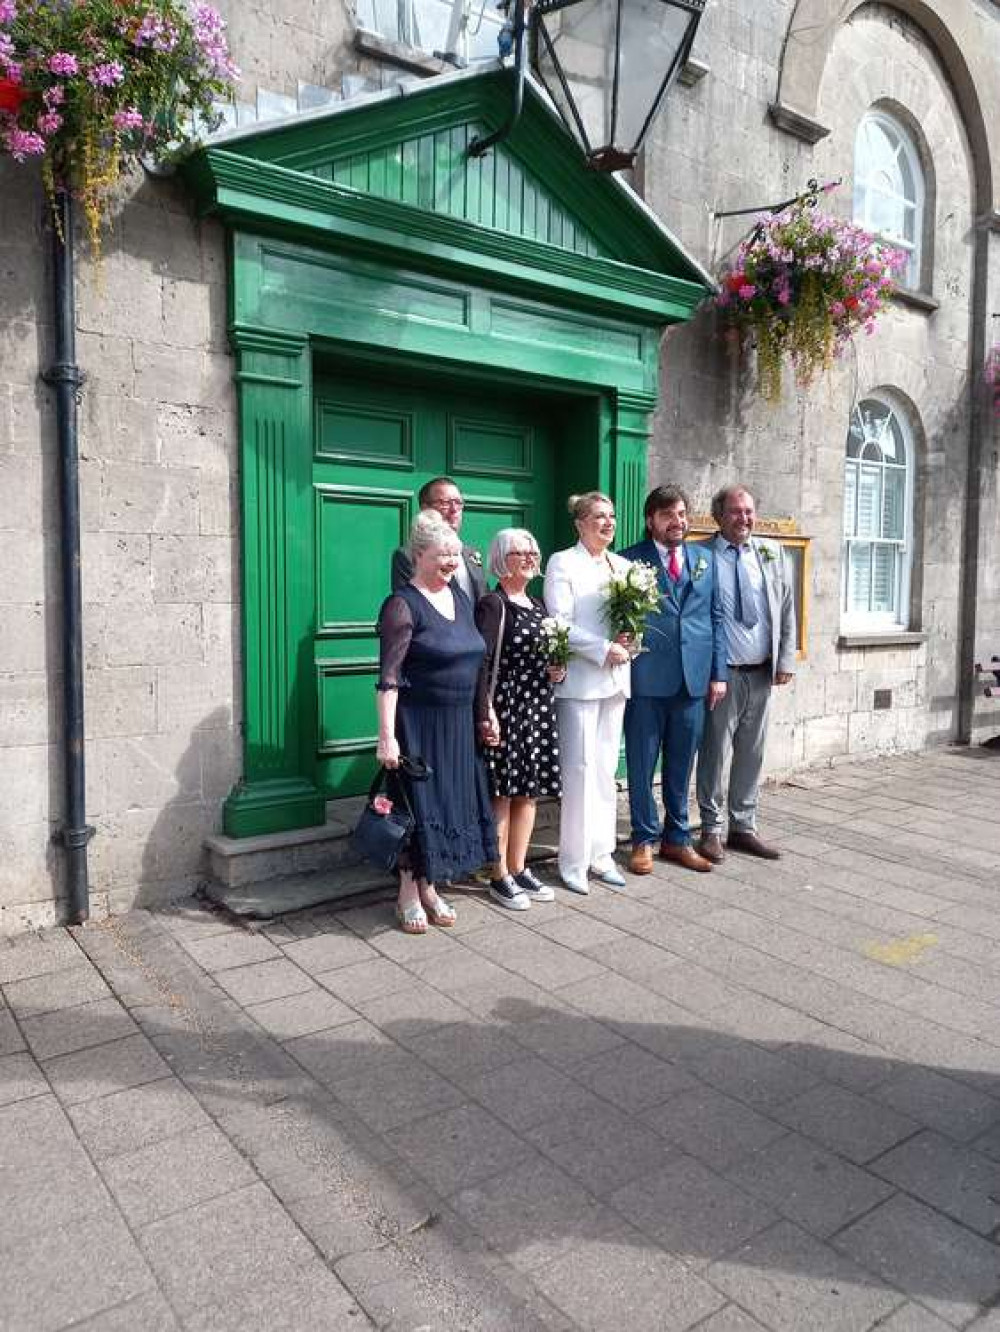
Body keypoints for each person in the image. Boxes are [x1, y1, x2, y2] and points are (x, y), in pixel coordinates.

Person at [375, 512, 498, 933]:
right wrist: (387, 738)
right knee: (418, 808)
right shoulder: (402, 605)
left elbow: (479, 660)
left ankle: (430, 887)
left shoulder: (461, 599)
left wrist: (486, 713)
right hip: (419, 725)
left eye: (455, 555)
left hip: (459, 725)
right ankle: (407, 893)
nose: (451, 562)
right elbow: (389, 678)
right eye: (442, 555)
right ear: (418, 556)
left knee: (447, 804)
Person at [621, 485, 728, 875]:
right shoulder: (628, 560)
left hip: (693, 679)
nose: (677, 522)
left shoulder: (704, 558)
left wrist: (718, 673)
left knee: (682, 764)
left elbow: (716, 618)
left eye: (682, 514)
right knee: (642, 762)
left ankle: (678, 838)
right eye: (668, 515)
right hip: (646, 678)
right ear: (652, 520)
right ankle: (643, 839)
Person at [695, 483, 796, 863]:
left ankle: (744, 826)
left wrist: (784, 661)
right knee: (715, 753)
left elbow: (786, 610)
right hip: (721, 676)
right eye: (736, 512)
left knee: (752, 754)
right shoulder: (700, 555)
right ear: (719, 516)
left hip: (760, 674)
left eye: (749, 511)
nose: (744, 519)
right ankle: (710, 828)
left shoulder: (772, 553)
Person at [543, 492, 632, 895]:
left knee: (604, 773)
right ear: (580, 523)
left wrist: (631, 641)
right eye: (599, 516)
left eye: (611, 516)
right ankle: (573, 862)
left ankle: (602, 855)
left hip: (615, 682)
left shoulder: (624, 565)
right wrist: (602, 650)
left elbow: (633, 618)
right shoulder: (564, 562)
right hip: (580, 683)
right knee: (578, 772)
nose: (608, 523)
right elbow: (559, 621)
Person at [475, 528, 564, 911]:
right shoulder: (493, 605)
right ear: (501, 559)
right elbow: (481, 663)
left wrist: (556, 671)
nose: (531, 557)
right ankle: (498, 875)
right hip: (508, 706)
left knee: (528, 792)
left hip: (538, 707)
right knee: (503, 793)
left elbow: (542, 657)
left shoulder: (538, 603)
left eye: (534, 551)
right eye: (521, 552)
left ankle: (519, 865)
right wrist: (486, 711)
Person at [390, 476, 487, 601]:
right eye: (445, 503)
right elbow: (410, 604)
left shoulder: (471, 554)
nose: (454, 510)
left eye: (458, 502)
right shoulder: (408, 556)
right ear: (425, 509)